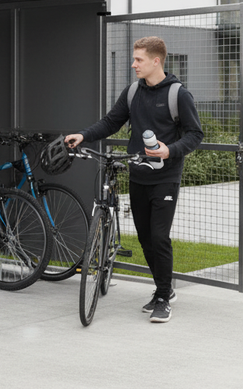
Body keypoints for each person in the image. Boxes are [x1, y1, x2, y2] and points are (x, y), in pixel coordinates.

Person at [65, 36, 203, 324]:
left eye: (139, 59)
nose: (133, 64)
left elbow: (195, 134)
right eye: (134, 58)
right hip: (138, 175)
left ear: (156, 61)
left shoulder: (178, 95)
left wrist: (170, 150)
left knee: (159, 237)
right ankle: (163, 288)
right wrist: (84, 135)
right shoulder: (132, 92)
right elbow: (111, 121)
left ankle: (163, 296)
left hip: (165, 176)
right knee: (144, 238)